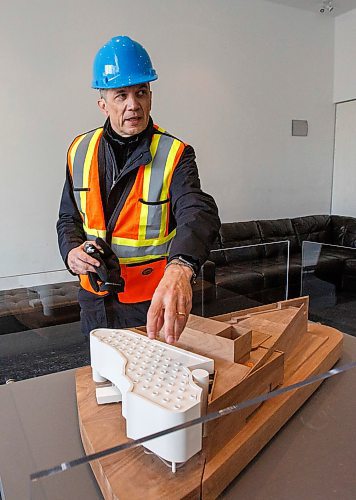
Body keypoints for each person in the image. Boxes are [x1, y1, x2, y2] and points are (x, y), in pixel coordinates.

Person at [57, 35, 220, 344]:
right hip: (95, 299)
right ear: (103, 104)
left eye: (141, 92)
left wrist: (181, 266)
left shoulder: (175, 153)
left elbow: (197, 212)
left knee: (150, 385)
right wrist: (71, 252)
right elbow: (68, 219)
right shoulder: (79, 150)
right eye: (121, 95)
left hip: (149, 304)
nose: (133, 104)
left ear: (150, 96)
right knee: (103, 384)